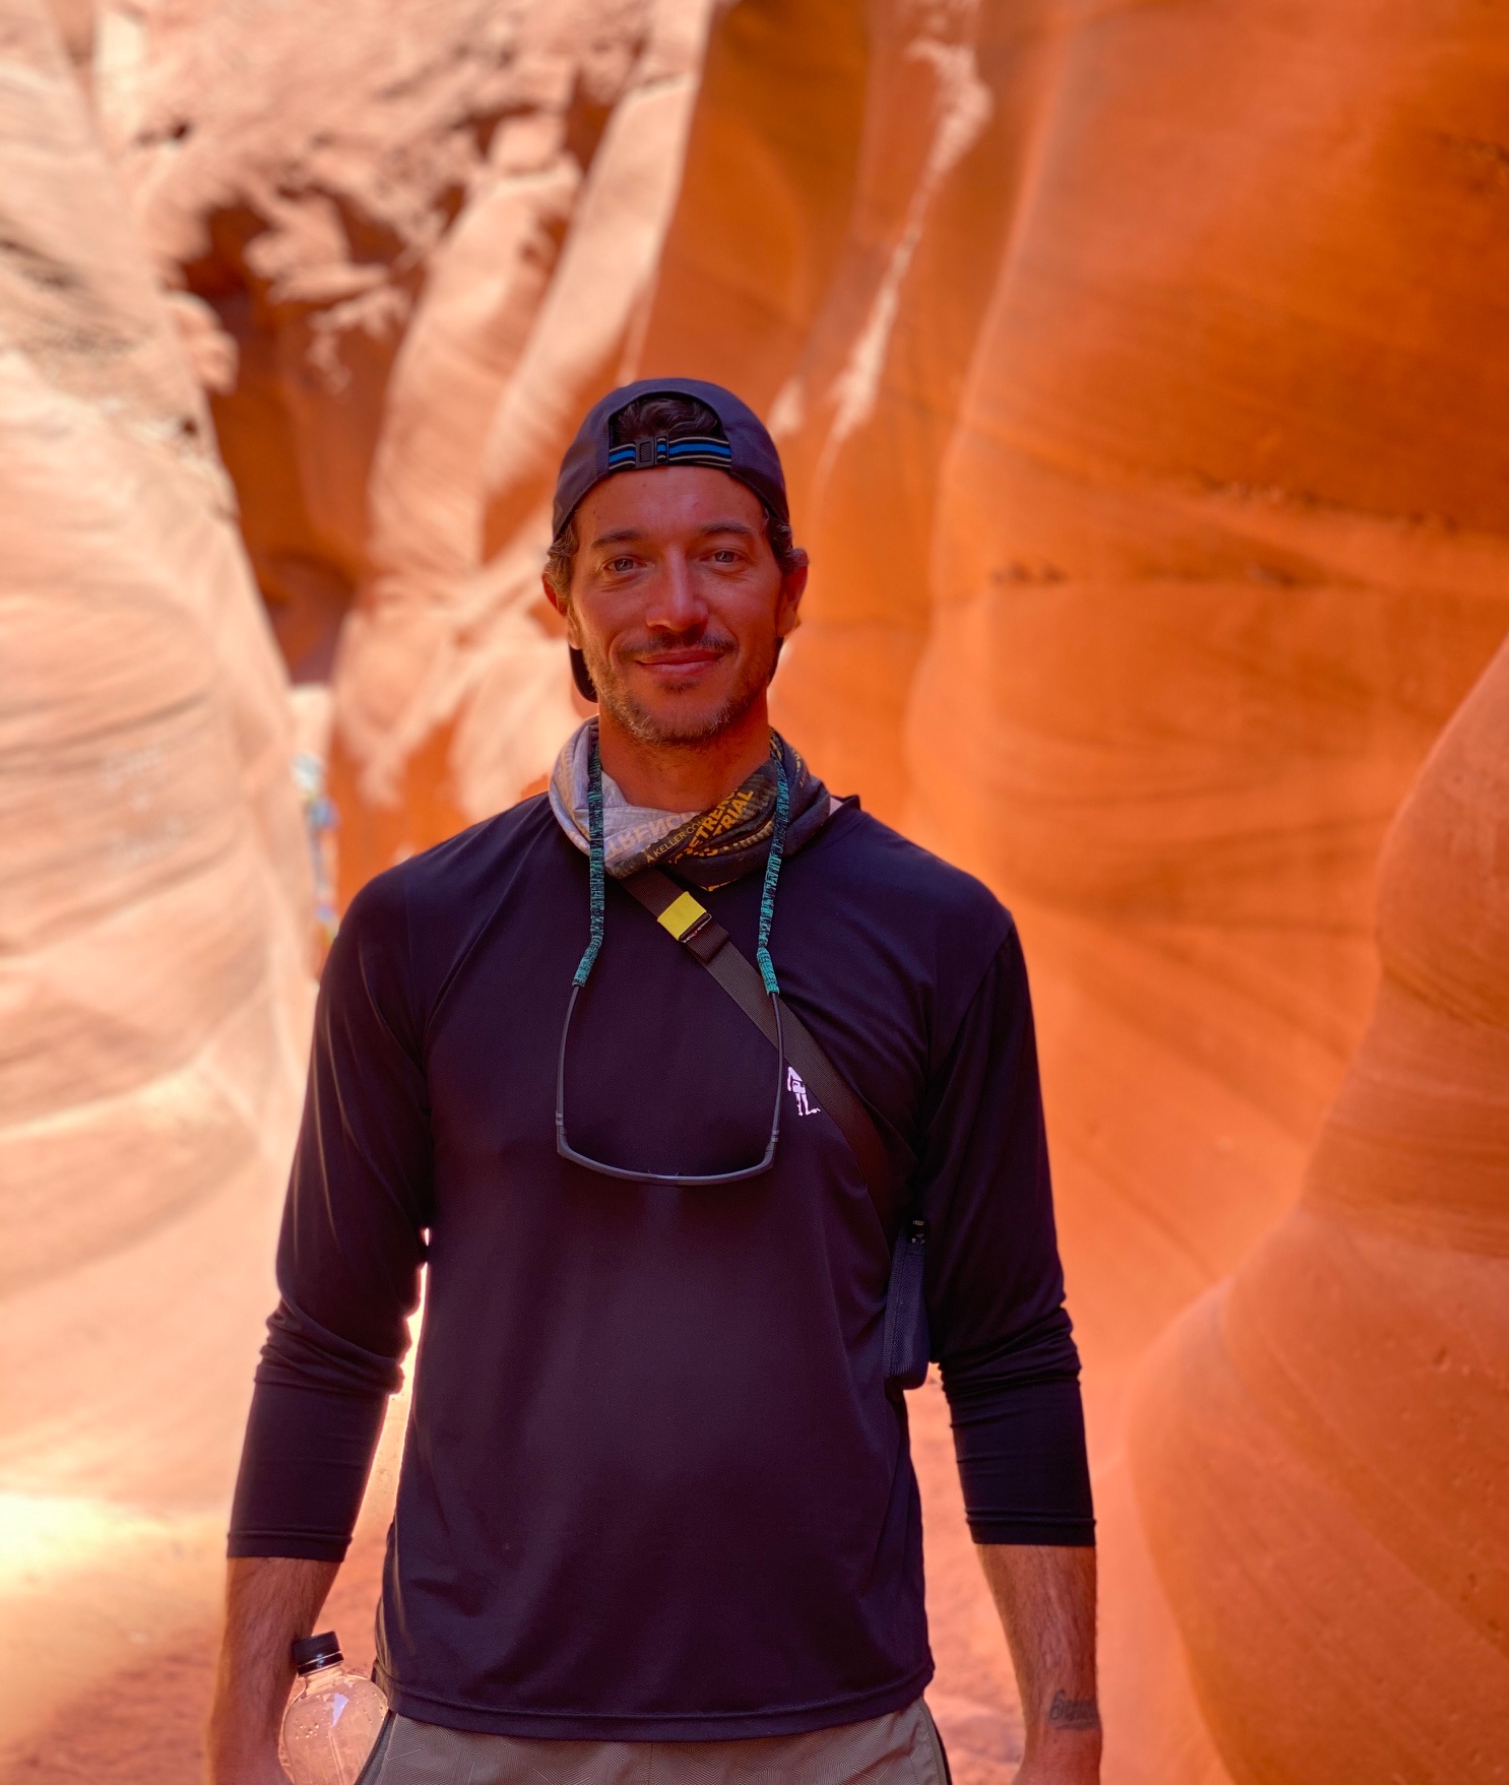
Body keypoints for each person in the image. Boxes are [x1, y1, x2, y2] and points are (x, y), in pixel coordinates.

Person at [208, 378, 1101, 1785]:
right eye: (624, 560)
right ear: (561, 600)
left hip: (834, 1734)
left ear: (790, 589)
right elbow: (328, 1338)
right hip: (473, 1733)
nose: (674, 604)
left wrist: (1066, 1722)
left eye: (722, 555)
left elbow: (1009, 1351)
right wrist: (239, 1721)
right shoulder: (418, 932)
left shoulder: (941, 939)